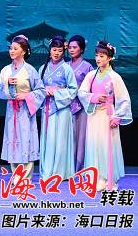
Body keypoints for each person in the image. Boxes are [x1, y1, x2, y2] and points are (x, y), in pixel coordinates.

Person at [77, 41, 132, 191]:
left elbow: (124, 99)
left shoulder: (114, 77)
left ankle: (109, 179)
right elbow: (81, 92)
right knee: (94, 144)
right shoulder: (91, 75)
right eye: (97, 55)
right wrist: (93, 97)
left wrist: (117, 117)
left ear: (109, 58)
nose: (98, 59)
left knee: (108, 145)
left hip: (108, 115)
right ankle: (97, 178)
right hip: (94, 115)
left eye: (102, 56)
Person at [0, 34, 45, 181]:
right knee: (13, 140)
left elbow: (40, 91)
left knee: (26, 140)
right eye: (11, 48)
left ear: (23, 51)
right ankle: (16, 175)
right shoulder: (5, 70)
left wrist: (26, 96)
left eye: (15, 48)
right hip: (11, 110)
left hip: (25, 110)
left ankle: (26, 177)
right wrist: (6, 83)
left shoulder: (30, 70)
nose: (12, 51)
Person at [37, 35, 78, 180]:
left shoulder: (67, 69)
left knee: (60, 140)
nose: (57, 53)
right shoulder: (43, 68)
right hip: (47, 107)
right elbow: (37, 89)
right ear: (50, 50)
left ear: (63, 52)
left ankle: (60, 172)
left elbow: (73, 90)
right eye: (54, 50)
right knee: (48, 139)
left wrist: (57, 92)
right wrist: (45, 91)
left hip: (62, 109)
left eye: (60, 50)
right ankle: (47, 171)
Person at [67, 35, 94, 171]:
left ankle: (79, 167)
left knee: (80, 137)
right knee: (67, 137)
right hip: (65, 106)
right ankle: (66, 166)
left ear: (81, 49)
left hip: (81, 107)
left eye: (74, 47)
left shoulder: (88, 67)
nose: (71, 50)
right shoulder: (65, 66)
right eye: (69, 47)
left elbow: (92, 88)